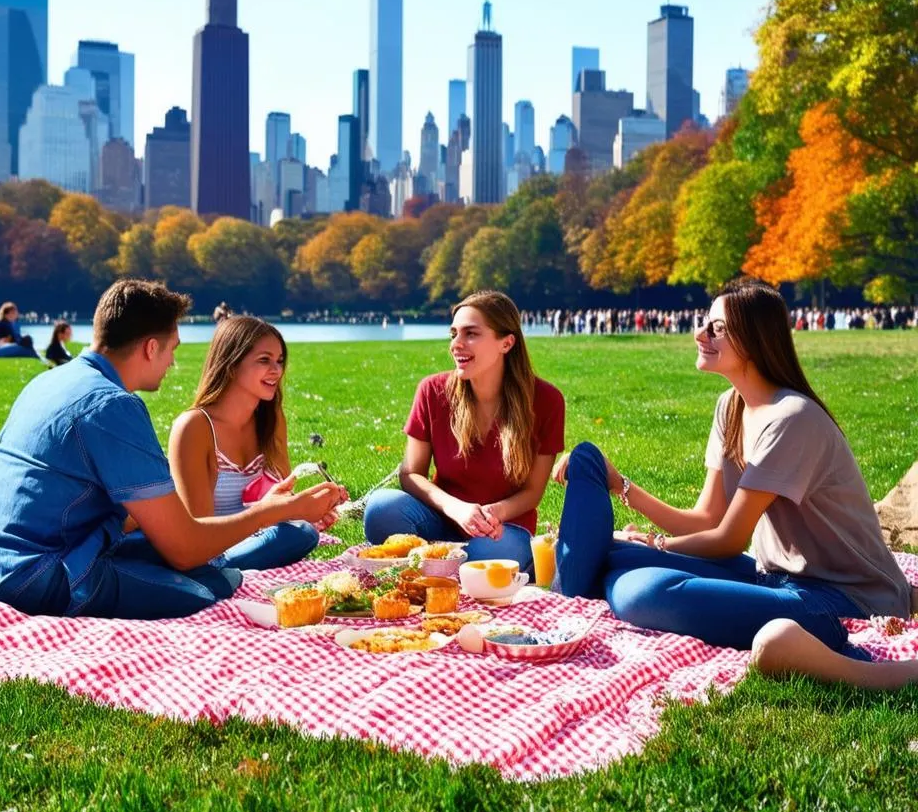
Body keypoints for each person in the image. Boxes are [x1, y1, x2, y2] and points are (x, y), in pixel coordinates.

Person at [553, 277, 917, 689]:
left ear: (755, 338)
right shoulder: (732, 407)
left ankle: (848, 659)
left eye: (717, 328)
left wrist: (656, 546)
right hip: (773, 579)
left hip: (843, 600)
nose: (700, 334)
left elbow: (727, 539)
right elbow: (706, 518)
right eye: (705, 323)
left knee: (639, 591)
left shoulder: (791, 418)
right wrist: (620, 484)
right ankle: (570, 602)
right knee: (612, 540)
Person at [0, 279, 342, 619]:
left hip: (3, 564)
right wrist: (272, 512)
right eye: (172, 349)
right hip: (45, 576)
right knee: (207, 588)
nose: (172, 362)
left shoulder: (50, 381)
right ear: (152, 347)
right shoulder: (112, 406)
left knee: (211, 570)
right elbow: (183, 548)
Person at [363, 290, 565, 569]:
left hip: (500, 529)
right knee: (381, 509)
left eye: (470, 334)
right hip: (440, 520)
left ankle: (433, 565)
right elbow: (410, 474)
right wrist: (454, 508)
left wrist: (493, 513)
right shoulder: (432, 391)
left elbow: (533, 492)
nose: (456, 344)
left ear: (506, 343)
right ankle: (442, 563)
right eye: (453, 334)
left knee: (489, 557)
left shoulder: (547, 401)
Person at [167, 315, 333, 571]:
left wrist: (309, 508)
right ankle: (220, 573)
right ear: (232, 364)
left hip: (257, 540)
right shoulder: (194, 427)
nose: (276, 370)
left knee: (303, 531)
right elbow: (197, 530)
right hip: (208, 551)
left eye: (279, 361)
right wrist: (274, 515)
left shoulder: (271, 419)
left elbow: (281, 500)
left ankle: (231, 572)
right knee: (300, 534)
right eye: (264, 360)